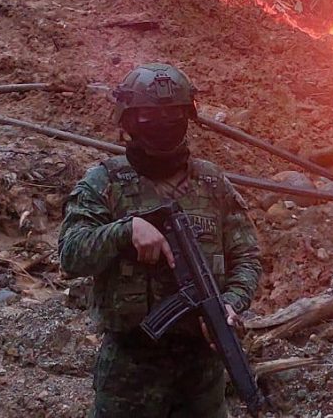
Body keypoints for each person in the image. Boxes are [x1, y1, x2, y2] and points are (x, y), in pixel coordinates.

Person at [59, 63, 262, 418]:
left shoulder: (212, 184)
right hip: (130, 370)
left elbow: (247, 257)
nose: (164, 124)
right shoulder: (105, 182)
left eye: (173, 115)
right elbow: (72, 255)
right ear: (128, 120)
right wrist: (125, 231)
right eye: (150, 116)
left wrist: (231, 302)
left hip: (201, 370)